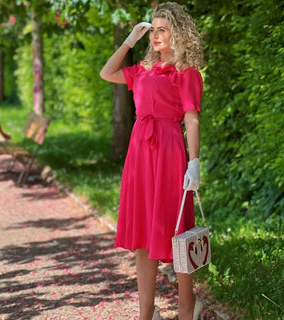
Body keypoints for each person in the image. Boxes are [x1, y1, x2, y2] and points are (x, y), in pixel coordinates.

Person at [100, 2, 205, 319]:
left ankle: (188, 307)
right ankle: (146, 313)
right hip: (140, 155)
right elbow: (107, 73)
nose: (156, 35)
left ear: (178, 33)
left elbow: (191, 120)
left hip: (169, 151)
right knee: (143, 237)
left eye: (163, 29)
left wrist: (194, 162)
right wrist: (129, 41)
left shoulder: (185, 72)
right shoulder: (143, 69)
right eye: (153, 30)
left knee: (175, 232)